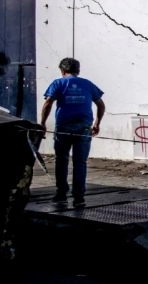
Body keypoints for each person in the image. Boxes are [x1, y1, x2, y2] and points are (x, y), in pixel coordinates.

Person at [40, 58, 104, 207]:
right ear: (78, 71)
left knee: (62, 161)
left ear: (62, 71)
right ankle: (79, 197)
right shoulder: (88, 84)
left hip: (64, 127)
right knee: (80, 162)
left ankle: (61, 194)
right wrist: (97, 123)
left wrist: (42, 123)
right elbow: (100, 104)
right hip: (84, 127)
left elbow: (48, 102)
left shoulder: (58, 83)